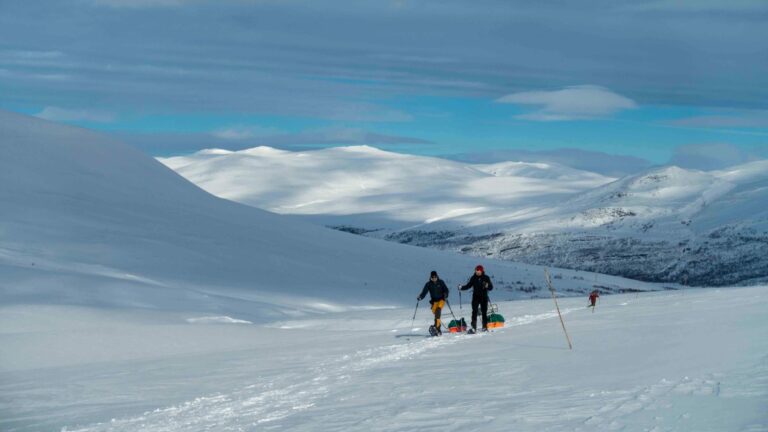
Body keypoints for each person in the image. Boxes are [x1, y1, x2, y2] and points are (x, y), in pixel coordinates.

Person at [459, 265, 493, 332]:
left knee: (484, 312)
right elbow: (468, 286)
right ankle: (474, 327)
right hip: (476, 297)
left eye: (479, 271)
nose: (477, 272)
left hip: (484, 297)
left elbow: (491, 287)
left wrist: (487, 285)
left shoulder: (486, 278)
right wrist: (461, 287)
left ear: (482, 271)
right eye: (476, 271)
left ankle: (485, 327)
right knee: (474, 311)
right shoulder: (473, 277)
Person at [418, 270, 450, 335]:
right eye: (432, 277)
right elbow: (424, 292)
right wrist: (420, 297)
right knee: (436, 315)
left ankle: (437, 328)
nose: (434, 278)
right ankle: (438, 329)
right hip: (434, 302)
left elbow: (446, 290)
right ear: (430, 277)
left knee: (438, 311)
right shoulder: (428, 284)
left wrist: (446, 294)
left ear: (437, 276)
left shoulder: (441, 282)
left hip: (441, 300)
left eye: (435, 277)